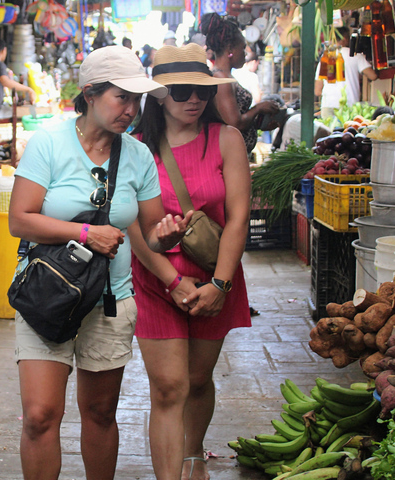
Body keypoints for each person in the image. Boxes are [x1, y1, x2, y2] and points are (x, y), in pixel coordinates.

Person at [9, 45, 192, 480]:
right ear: (89, 94)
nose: (130, 109)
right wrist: (84, 232)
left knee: (100, 412)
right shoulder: (49, 144)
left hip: (110, 299)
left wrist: (165, 235)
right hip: (47, 293)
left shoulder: (138, 156)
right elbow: (20, 219)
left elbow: (149, 231)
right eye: (120, 97)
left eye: (137, 99)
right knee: (39, 414)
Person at [129, 44, 252, 480]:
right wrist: (169, 278)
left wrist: (219, 285)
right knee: (168, 388)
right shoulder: (136, 147)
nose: (193, 100)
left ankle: (193, 453)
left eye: (201, 89)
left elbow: (238, 217)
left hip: (214, 276)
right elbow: (134, 230)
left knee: (198, 381)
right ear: (159, 94)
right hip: (155, 279)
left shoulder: (227, 139)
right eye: (180, 91)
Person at [200, 13, 279, 155]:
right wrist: (258, 108)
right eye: (242, 49)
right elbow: (234, 123)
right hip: (229, 156)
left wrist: (256, 125)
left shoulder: (225, 76)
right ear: (230, 49)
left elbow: (230, 119)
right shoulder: (221, 79)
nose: (245, 54)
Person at [315, 27, 377, 115]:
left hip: (328, 105)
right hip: (349, 106)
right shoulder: (355, 56)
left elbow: (317, 90)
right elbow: (373, 76)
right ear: (345, 39)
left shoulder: (325, 57)